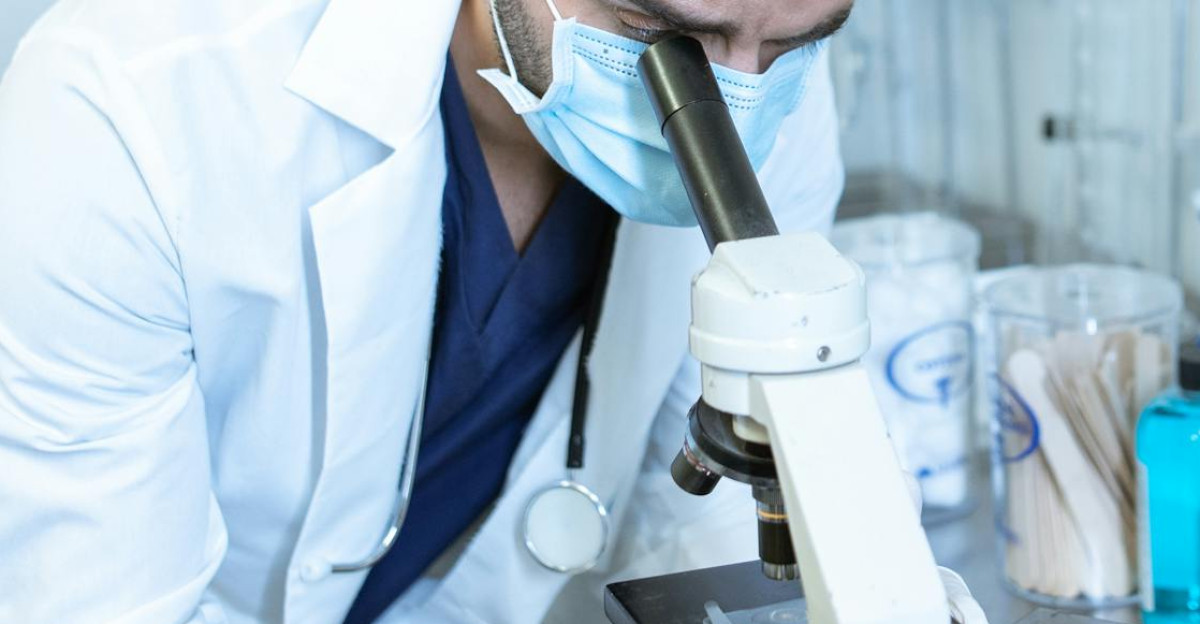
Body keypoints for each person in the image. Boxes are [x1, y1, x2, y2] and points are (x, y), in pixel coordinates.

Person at [0, 0, 849, 622]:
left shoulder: (764, 72)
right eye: (654, 33)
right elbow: (96, 602)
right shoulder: (124, 116)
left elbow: (720, 529)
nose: (739, 99)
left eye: (792, 45)